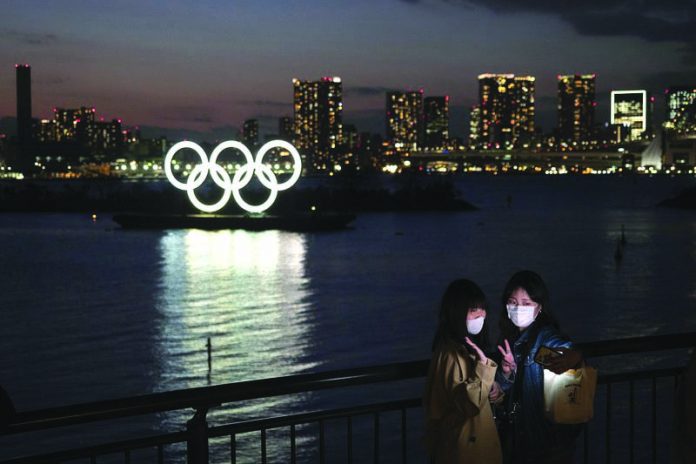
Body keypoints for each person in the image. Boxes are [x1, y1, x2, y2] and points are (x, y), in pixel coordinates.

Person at [495, 270, 582, 464]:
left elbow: (567, 353)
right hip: (522, 441)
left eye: (527, 303)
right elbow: (510, 389)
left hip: (546, 445)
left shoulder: (543, 340)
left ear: (539, 307)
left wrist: (572, 356)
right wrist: (507, 374)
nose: (518, 309)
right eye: (513, 302)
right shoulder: (513, 340)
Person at [423, 279, 503, 464]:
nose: (481, 315)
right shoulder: (451, 355)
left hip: (468, 445)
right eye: (473, 309)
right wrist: (484, 368)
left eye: (482, 309)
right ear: (457, 313)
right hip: (464, 448)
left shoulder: (463, 348)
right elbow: (469, 404)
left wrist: (495, 389)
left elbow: (477, 392)